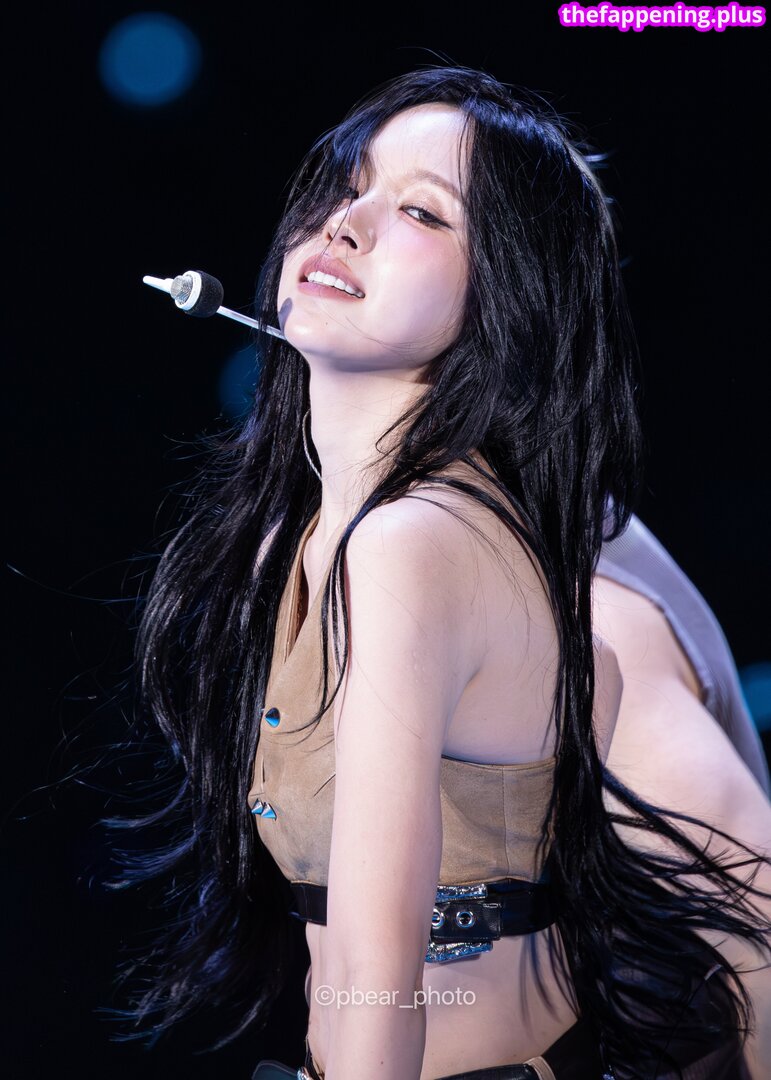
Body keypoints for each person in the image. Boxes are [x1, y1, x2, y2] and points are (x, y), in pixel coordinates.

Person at [105, 67, 771, 1079]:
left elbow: (379, 970)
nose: (347, 221)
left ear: (506, 292)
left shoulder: (424, 549)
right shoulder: (310, 538)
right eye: (345, 184)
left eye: (422, 211)